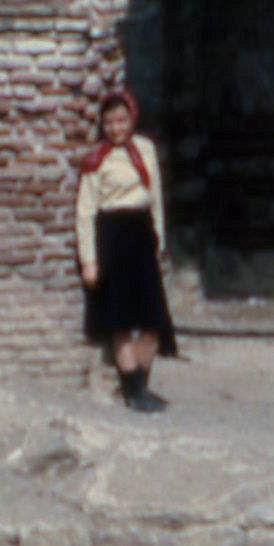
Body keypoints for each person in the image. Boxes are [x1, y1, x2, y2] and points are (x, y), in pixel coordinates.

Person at [74, 85, 178, 414]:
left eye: (121, 121)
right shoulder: (95, 161)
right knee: (118, 320)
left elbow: (155, 196)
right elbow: (85, 211)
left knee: (152, 321)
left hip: (141, 235)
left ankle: (142, 384)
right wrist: (89, 260)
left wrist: (158, 241)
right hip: (113, 239)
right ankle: (133, 391)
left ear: (131, 119)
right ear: (103, 126)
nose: (116, 128)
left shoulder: (145, 150)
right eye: (109, 123)